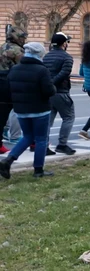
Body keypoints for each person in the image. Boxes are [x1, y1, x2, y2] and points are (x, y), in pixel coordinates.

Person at [0, 42, 56, 179]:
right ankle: (38, 170)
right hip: (40, 110)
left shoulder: (15, 69)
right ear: (39, 55)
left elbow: (9, 89)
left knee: (27, 136)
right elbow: (49, 91)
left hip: (21, 110)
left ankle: (8, 160)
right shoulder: (42, 70)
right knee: (41, 139)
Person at [43, 32, 76, 155]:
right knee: (68, 117)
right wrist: (52, 83)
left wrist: (48, 85)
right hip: (61, 91)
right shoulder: (67, 57)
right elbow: (64, 73)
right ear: (64, 44)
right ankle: (62, 144)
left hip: (48, 93)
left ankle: (44, 145)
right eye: (67, 42)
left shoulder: (46, 56)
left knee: (48, 120)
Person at [0, 25, 28, 154]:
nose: (24, 40)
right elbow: (24, 67)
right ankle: (29, 139)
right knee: (21, 111)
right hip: (11, 83)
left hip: (2, 82)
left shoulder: (2, 47)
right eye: (22, 37)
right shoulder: (17, 50)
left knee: (2, 114)